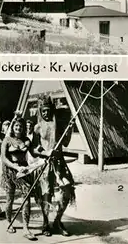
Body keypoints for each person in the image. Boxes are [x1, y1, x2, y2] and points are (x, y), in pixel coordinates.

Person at [0, 117, 52, 240]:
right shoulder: (6, 140)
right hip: (10, 171)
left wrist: (46, 154)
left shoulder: (26, 140)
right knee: (9, 198)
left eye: (21, 127)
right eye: (16, 126)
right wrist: (15, 167)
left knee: (27, 196)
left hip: (23, 170)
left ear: (23, 129)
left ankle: (26, 228)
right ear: (13, 127)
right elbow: (4, 159)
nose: (18, 128)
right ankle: (8, 222)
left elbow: (33, 152)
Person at [35, 97, 75, 237]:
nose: (46, 113)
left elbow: (66, 143)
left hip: (59, 163)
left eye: (48, 111)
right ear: (41, 111)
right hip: (45, 165)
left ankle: (57, 221)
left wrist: (70, 129)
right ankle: (46, 223)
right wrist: (46, 152)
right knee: (46, 195)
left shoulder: (58, 125)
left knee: (66, 191)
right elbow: (34, 149)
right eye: (44, 111)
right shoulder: (38, 127)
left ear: (52, 110)